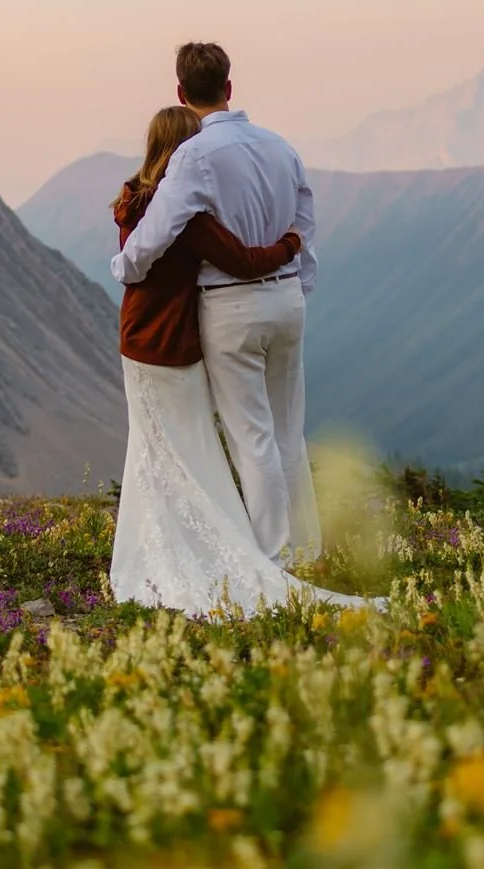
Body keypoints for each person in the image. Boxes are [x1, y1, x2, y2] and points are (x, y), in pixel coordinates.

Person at [107, 106, 367, 616]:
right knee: (229, 441)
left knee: (158, 448)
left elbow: (135, 258)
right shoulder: (190, 216)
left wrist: (123, 266)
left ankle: (157, 546)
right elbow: (245, 260)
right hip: (172, 341)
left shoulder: (133, 199)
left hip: (139, 337)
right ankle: (274, 551)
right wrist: (292, 245)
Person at [110, 43, 321, 565]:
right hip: (288, 299)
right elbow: (304, 224)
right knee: (289, 432)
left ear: (181, 93)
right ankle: (310, 548)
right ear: (229, 87)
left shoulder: (194, 155)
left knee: (253, 438)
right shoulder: (280, 147)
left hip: (230, 306)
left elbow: (157, 231)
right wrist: (297, 282)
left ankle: (275, 560)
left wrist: (125, 269)